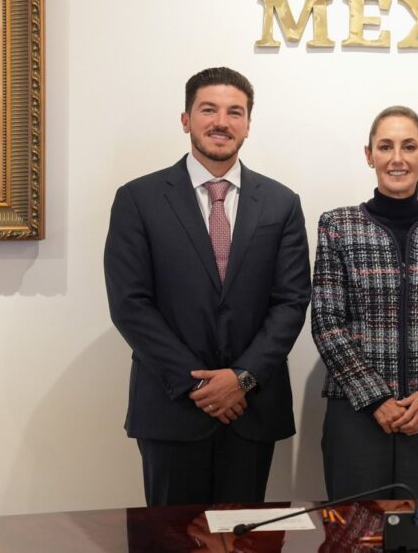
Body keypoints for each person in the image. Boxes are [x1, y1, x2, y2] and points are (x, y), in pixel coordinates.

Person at [104, 67, 311, 506]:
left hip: (252, 409)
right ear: (186, 120)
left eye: (235, 112)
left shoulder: (281, 203)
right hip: (172, 409)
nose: (222, 122)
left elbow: (291, 302)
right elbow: (130, 304)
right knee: (171, 537)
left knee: (245, 535)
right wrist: (199, 385)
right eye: (208, 110)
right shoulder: (138, 199)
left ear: (248, 124)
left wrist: (242, 378)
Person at [311, 106, 418, 500]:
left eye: (409, 147)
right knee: (355, 528)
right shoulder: (338, 225)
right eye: (385, 147)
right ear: (369, 155)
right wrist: (376, 397)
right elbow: (327, 323)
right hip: (355, 414)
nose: (397, 158)